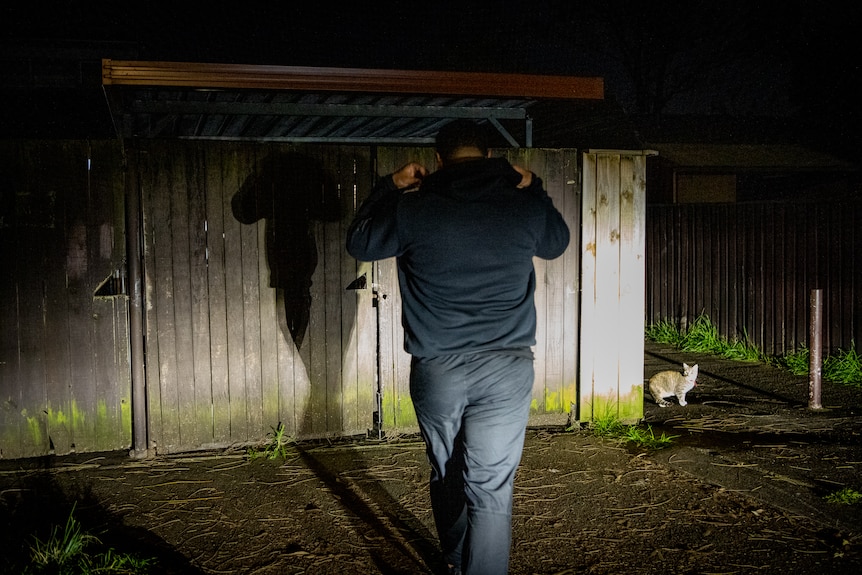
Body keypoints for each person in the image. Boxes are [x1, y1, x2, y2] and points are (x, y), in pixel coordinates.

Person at [346, 119, 570, 575]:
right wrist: (535, 188)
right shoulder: (520, 207)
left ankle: (452, 559)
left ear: (436, 160)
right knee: (490, 487)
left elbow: (360, 241)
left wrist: (389, 185)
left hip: (438, 367)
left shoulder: (412, 209)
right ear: (489, 156)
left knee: (447, 468)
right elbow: (557, 242)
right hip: (507, 367)